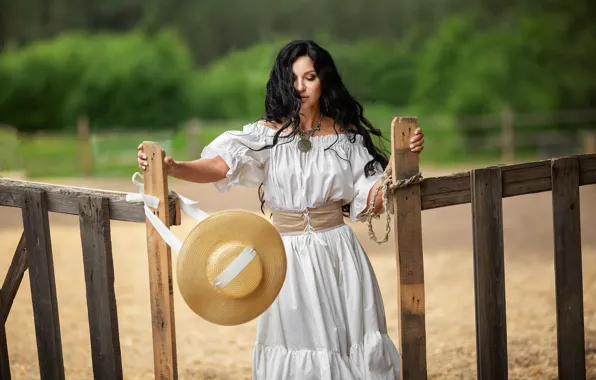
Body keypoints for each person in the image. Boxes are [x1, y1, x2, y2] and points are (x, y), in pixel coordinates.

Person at [137, 39, 424, 380]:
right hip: (285, 255)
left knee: (350, 336)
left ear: (324, 81)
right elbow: (218, 166)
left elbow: (372, 198)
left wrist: (400, 163)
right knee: (296, 339)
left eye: (310, 77)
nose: (300, 87)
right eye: (293, 79)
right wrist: (174, 166)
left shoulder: (346, 138)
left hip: (337, 251)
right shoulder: (267, 136)